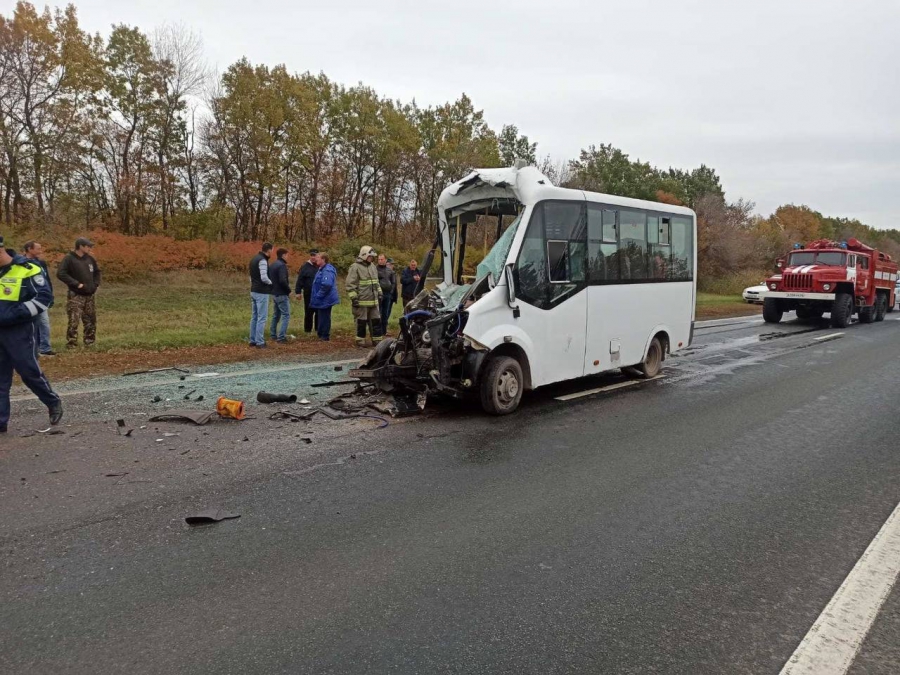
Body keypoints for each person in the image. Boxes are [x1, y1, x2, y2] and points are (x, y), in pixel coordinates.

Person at [0, 233, 63, 433]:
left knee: (28, 371)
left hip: (19, 330)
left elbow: (43, 298)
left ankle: (52, 401)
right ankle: (1, 421)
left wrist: (13, 314)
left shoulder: (28, 269)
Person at [57, 237, 101, 349]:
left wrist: (95, 284)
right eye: (88, 246)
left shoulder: (90, 259)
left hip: (89, 295)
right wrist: (76, 284)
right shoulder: (69, 258)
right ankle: (72, 343)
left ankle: (90, 342)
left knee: (90, 320)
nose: (90, 248)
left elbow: (97, 272)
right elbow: (61, 273)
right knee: (74, 320)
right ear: (80, 246)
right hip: (76, 295)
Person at [346, 245, 383, 347]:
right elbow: (350, 284)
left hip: (374, 301)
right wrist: (354, 298)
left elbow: (376, 282)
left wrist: (380, 293)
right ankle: (360, 341)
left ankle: (377, 341)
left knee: (376, 321)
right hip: (361, 301)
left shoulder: (372, 266)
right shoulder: (355, 267)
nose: (372, 258)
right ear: (364, 255)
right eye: (370, 256)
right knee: (361, 322)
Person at [23, 240, 56, 356]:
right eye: (38, 249)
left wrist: (50, 295)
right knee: (30, 325)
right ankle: (31, 348)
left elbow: (46, 280)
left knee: (44, 323)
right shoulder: (21, 263)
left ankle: (45, 348)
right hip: (27, 299)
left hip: (41, 298)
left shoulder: (41, 263)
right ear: (29, 249)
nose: (40, 251)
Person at [248, 242, 274, 348]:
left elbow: (251, 276)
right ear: (269, 250)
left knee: (254, 316)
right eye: (272, 250)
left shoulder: (253, 259)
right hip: (262, 291)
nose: (272, 252)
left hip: (253, 290)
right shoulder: (262, 260)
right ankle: (260, 341)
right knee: (262, 317)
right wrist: (271, 283)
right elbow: (264, 277)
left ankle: (252, 340)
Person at [309, 252, 339, 341]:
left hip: (326, 298)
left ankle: (324, 336)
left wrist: (319, 295)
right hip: (323, 298)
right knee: (321, 316)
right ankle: (321, 334)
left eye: (318, 258)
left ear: (323, 259)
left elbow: (327, 284)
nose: (316, 259)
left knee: (325, 317)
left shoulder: (327, 270)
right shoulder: (321, 269)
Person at [268, 248, 292, 343]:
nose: (287, 257)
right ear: (283, 255)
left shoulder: (272, 265)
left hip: (274, 293)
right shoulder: (282, 266)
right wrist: (289, 291)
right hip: (282, 293)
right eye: (287, 255)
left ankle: (273, 334)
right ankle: (281, 337)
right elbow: (282, 280)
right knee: (286, 315)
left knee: (276, 315)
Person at [295, 249, 319, 333]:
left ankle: (317, 329)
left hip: (318, 293)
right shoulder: (305, 266)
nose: (313, 257)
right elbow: (300, 280)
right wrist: (298, 292)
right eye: (311, 255)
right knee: (309, 312)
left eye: (315, 255)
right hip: (308, 293)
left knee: (318, 312)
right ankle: (307, 330)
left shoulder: (319, 265)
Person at [376, 253, 397, 334]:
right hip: (378, 294)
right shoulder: (375, 269)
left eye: (382, 259)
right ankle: (378, 330)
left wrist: (391, 292)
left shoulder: (389, 270)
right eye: (379, 259)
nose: (380, 261)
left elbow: (393, 282)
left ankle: (384, 330)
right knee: (378, 312)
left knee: (385, 313)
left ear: (385, 260)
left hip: (388, 294)